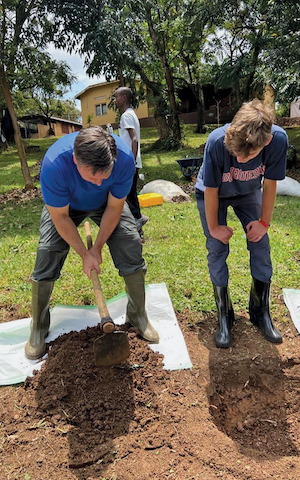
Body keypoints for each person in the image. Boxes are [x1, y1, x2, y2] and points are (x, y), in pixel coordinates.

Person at [25, 126, 159, 360]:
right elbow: (60, 217)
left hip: (105, 205)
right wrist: (84, 254)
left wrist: (96, 248)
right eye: (92, 176)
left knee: (129, 240)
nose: (98, 183)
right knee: (48, 250)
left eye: (104, 176)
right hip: (66, 206)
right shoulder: (55, 165)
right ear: (76, 160)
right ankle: (38, 327)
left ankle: (138, 316)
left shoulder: (124, 160)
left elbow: (115, 207)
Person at [195, 99, 288, 349]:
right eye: (236, 153)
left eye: (249, 155)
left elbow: (269, 183)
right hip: (213, 194)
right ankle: (225, 314)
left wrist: (264, 223)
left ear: (266, 142)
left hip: (248, 193)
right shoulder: (217, 142)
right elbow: (211, 189)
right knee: (217, 248)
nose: (240, 158)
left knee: (261, 244)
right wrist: (215, 227)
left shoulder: (277, 140)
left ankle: (260, 312)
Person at [114, 86, 149, 235]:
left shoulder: (126, 116)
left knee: (127, 194)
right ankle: (139, 220)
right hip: (132, 160)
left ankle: (137, 222)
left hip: (130, 161)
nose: (115, 100)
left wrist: (131, 162)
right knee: (131, 194)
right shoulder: (131, 114)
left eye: (116, 97)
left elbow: (134, 139)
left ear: (124, 98)